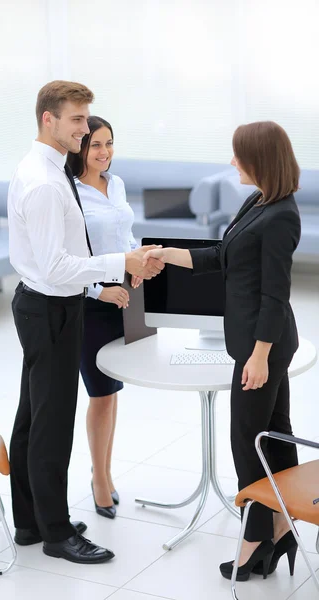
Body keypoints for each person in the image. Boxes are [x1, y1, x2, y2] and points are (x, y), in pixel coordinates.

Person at [7, 80, 164, 564]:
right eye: (77, 120)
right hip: (51, 305)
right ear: (48, 120)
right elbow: (57, 267)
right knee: (50, 425)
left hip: (45, 305)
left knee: (33, 418)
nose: (84, 128)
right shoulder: (48, 183)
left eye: (86, 119)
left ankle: (32, 521)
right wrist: (121, 264)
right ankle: (56, 533)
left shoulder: (45, 169)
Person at [143, 121, 301, 582]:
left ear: (260, 158)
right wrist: (165, 253)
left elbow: (275, 296)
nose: (232, 162)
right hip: (257, 345)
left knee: (246, 443)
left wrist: (258, 356)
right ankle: (281, 523)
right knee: (274, 434)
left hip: (262, 348)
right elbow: (221, 256)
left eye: (238, 155)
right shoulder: (258, 201)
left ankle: (255, 541)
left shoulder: (281, 216)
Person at [67, 116, 141, 519]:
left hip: (124, 298)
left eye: (109, 143)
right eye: (96, 144)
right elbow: (69, 260)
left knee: (112, 393)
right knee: (98, 394)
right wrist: (101, 289)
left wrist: (140, 260)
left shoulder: (117, 184)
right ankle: (98, 481)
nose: (104, 152)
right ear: (79, 148)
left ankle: (105, 471)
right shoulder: (70, 193)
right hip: (92, 303)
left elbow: (124, 238)